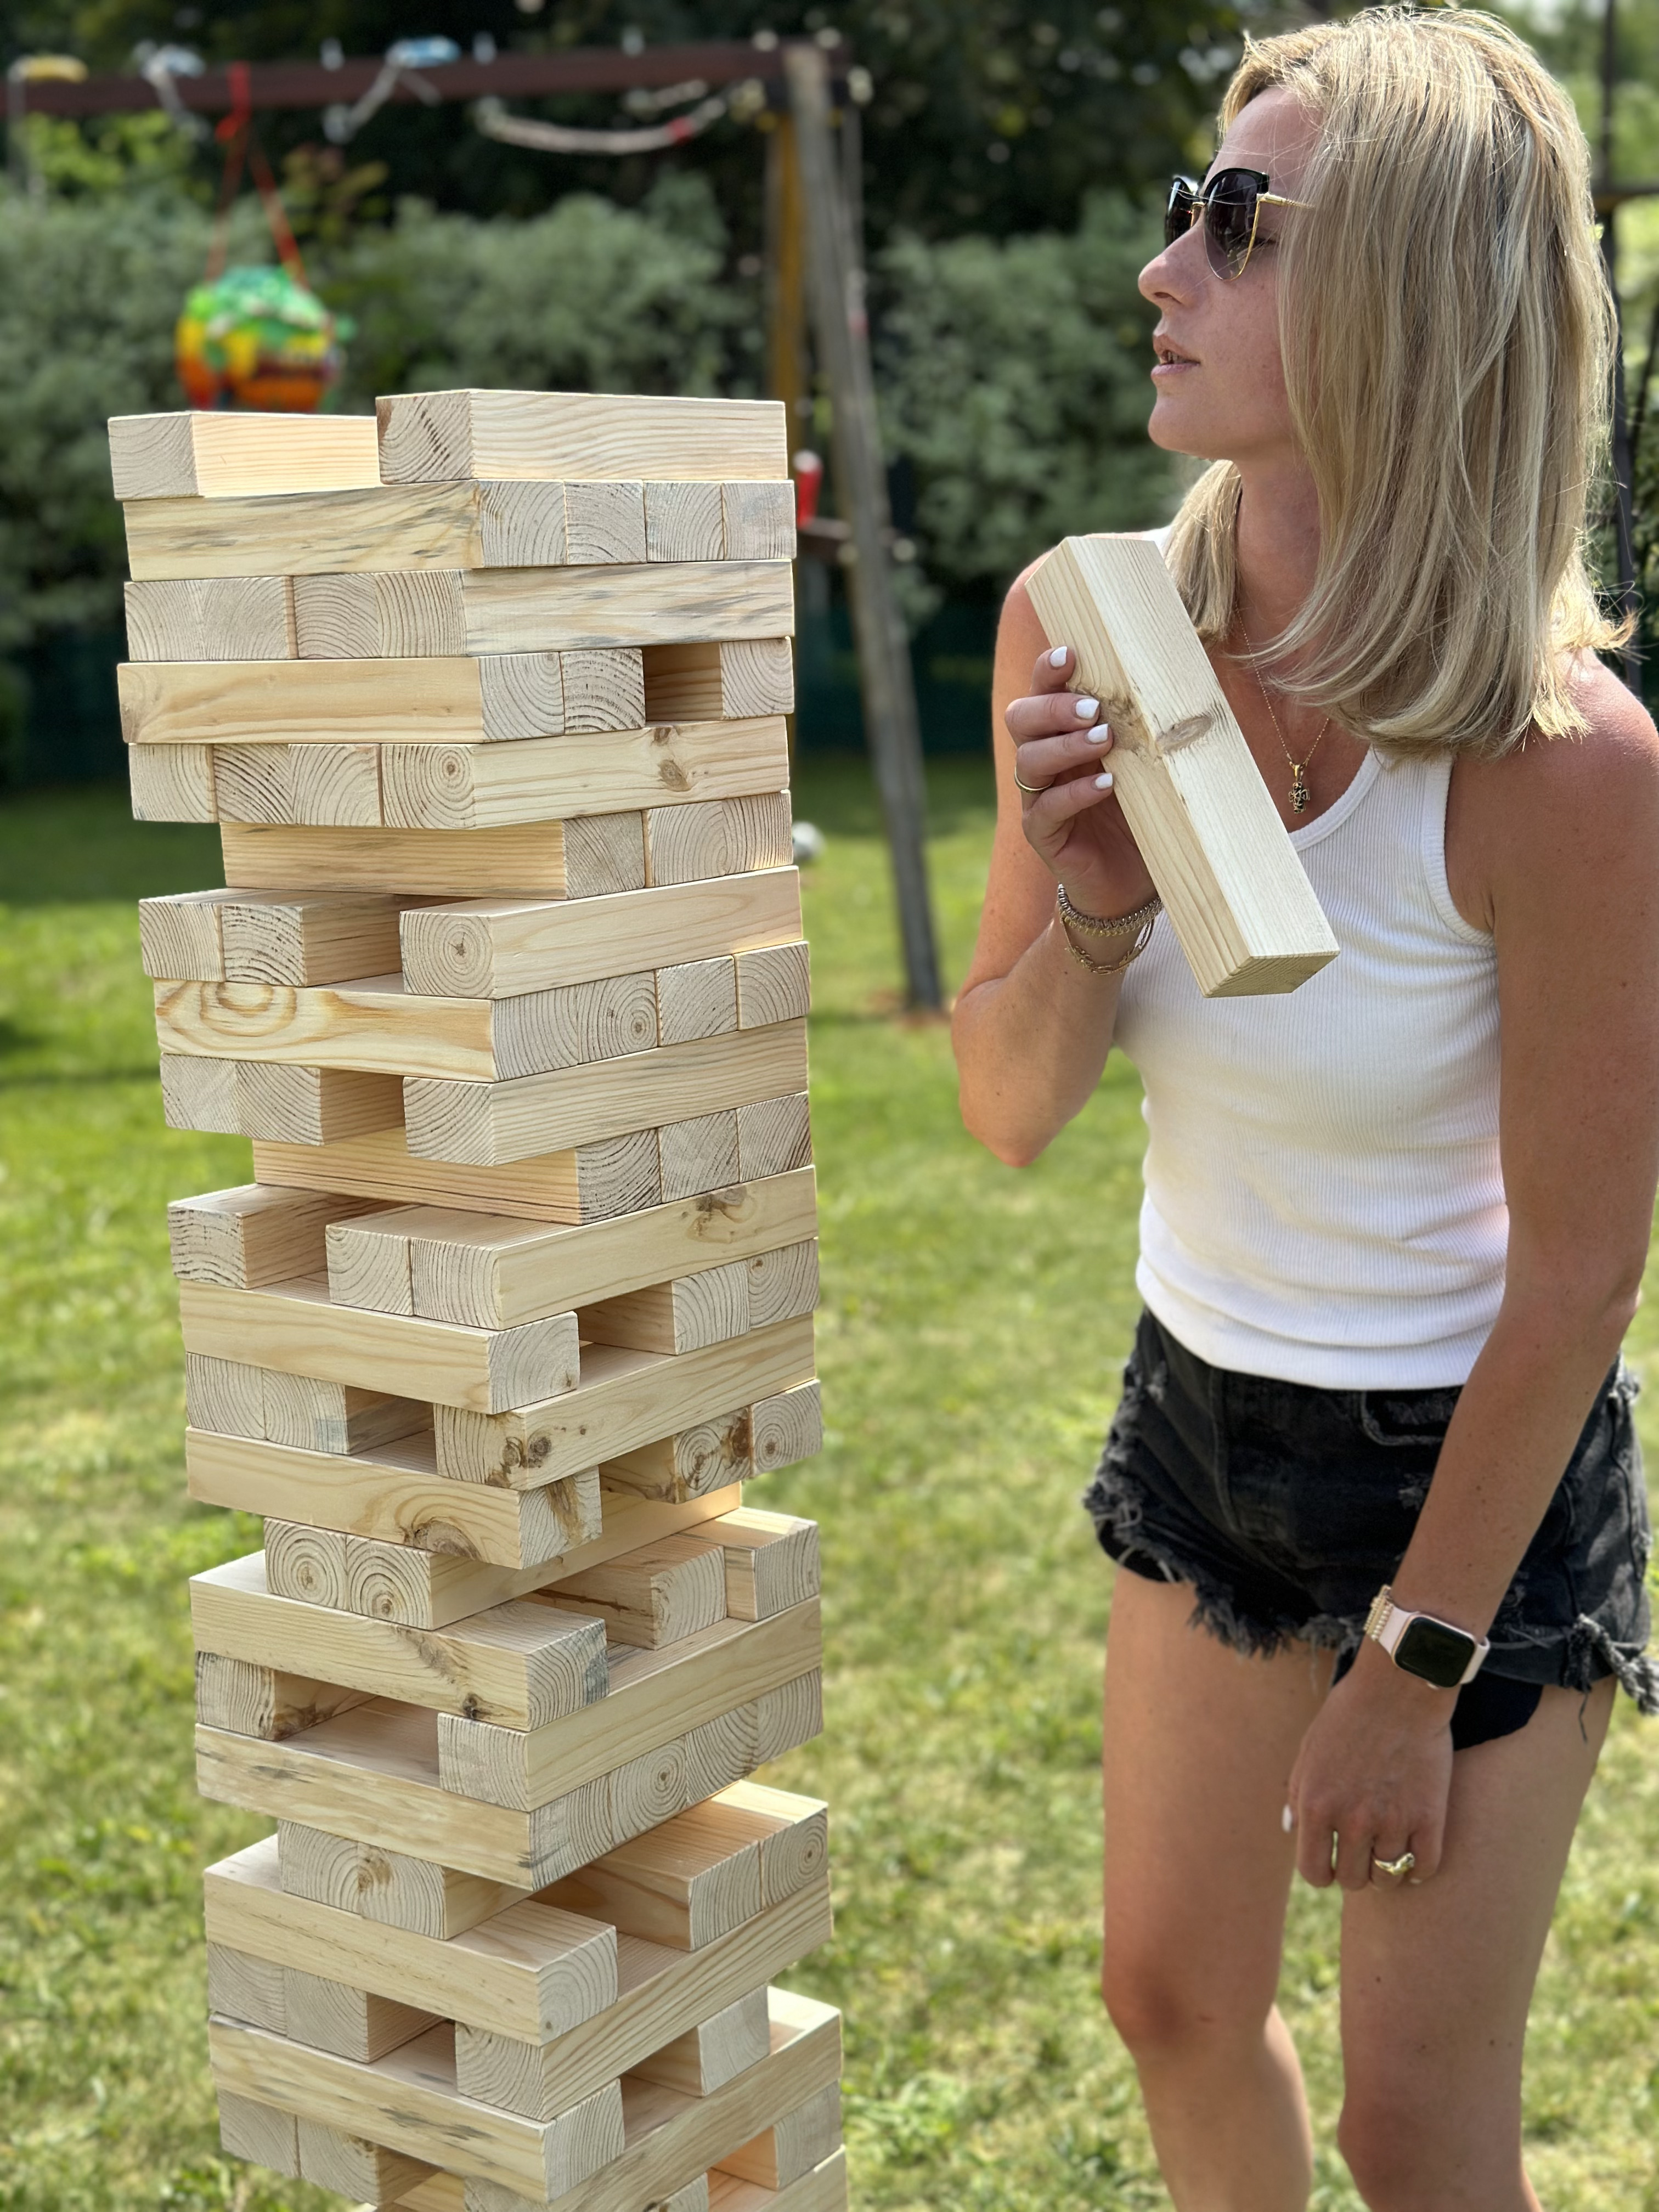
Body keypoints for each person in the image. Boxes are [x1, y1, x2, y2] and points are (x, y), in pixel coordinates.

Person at [950, 12, 1659, 2209]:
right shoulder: (1087, 631)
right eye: (1190, 206)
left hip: (1469, 1476)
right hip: (1200, 1413)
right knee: (1171, 1998)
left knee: (1418, 2135)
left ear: (1422, 295)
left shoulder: (1563, 766)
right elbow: (1002, 1111)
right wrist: (1091, 910)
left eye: (1240, 224)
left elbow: (1581, 1274)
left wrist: (1413, 1671)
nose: (1165, 265)